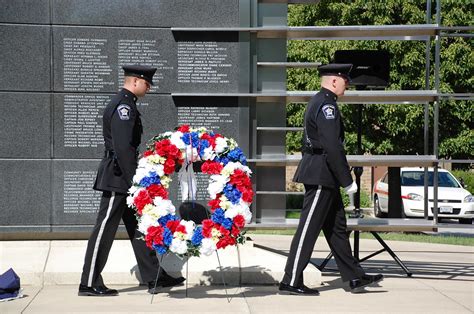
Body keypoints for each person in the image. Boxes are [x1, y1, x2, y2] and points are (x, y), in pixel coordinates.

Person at [79, 65, 185, 296]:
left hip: (123, 176)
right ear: (135, 81)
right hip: (118, 177)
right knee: (104, 230)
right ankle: (88, 282)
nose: (148, 89)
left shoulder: (127, 104)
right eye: (146, 84)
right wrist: (134, 181)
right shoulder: (124, 107)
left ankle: (154, 276)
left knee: (139, 228)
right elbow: (123, 148)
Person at [279, 64, 383, 295]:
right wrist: (347, 180)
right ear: (334, 81)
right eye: (345, 79)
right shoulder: (327, 106)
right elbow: (332, 147)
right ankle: (291, 280)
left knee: (337, 229)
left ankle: (354, 277)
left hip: (324, 175)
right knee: (308, 230)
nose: (347, 84)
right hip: (321, 175)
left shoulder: (323, 102)